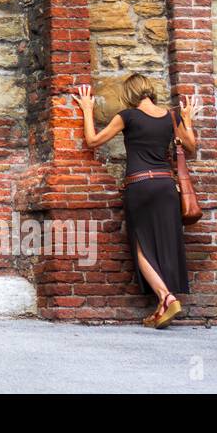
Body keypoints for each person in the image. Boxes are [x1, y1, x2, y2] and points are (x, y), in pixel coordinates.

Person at [73, 74, 199, 329]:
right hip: (166, 186)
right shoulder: (171, 116)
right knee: (165, 241)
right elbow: (192, 148)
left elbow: (93, 141)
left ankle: (165, 297)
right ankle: (162, 302)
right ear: (150, 91)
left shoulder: (127, 116)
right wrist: (187, 119)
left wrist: (87, 109)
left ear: (128, 94)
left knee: (141, 244)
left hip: (140, 186)